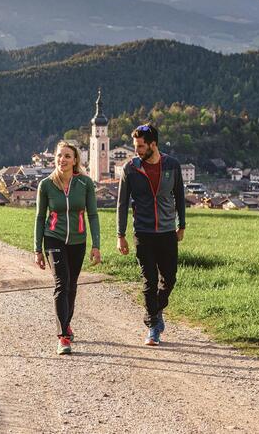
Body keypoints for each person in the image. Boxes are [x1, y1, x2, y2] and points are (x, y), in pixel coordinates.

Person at [116, 124, 186, 346]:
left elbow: (180, 197)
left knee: (170, 278)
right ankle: (153, 326)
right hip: (143, 232)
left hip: (167, 232)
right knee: (149, 280)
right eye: (135, 146)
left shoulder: (172, 166)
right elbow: (121, 204)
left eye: (140, 146)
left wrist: (181, 225)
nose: (136, 150)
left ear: (153, 144)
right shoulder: (130, 168)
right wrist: (121, 235)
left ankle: (156, 311)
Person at [34, 140, 101, 355]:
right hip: (53, 238)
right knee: (62, 283)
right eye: (59, 156)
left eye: (67, 156)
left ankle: (67, 321)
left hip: (78, 241)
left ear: (75, 161)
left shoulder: (85, 184)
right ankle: (63, 336)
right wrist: (37, 249)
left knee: (72, 285)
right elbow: (39, 217)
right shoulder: (46, 184)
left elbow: (92, 215)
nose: (62, 160)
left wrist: (96, 245)